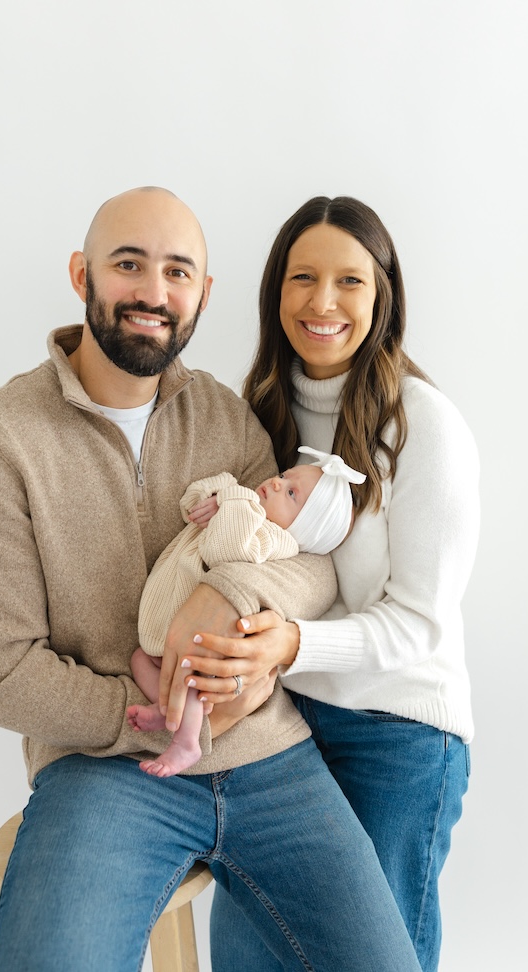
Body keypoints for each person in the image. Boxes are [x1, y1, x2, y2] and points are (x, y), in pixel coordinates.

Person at [0, 186, 424, 972]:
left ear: (203, 293)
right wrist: (155, 719)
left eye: (178, 272)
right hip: (105, 773)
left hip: (272, 758)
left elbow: (308, 564)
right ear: (80, 274)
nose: (153, 293)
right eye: (128, 265)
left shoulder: (228, 417)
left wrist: (229, 601)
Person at [168, 195, 479, 972]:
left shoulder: (422, 425)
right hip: (282, 724)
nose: (324, 302)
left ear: (383, 299)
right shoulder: (260, 417)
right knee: (247, 953)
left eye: (350, 281)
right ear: (277, 293)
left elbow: (420, 623)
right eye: (302, 278)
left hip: (397, 736)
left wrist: (294, 643)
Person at [129, 448, 366, 777]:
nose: (277, 484)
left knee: (193, 676)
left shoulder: (274, 538)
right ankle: (168, 710)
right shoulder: (245, 508)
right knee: (141, 660)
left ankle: (187, 742)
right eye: (284, 476)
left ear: (302, 528)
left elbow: (226, 549)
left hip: (210, 639)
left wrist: (234, 499)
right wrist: (217, 495)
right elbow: (191, 506)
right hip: (169, 624)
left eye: (292, 494)